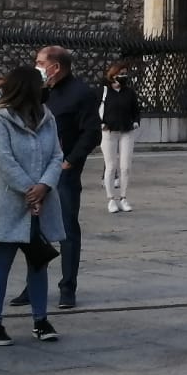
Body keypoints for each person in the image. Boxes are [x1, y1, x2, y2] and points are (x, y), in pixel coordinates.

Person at [0, 64, 65, 346]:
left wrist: (44, 186)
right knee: (1, 264)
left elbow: (56, 155)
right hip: (10, 202)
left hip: (41, 201)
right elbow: (2, 160)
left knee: (39, 263)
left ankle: (40, 320)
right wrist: (30, 190)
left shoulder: (47, 118)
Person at [30, 47, 99, 311]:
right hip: (37, 169)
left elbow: (91, 132)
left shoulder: (81, 93)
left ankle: (67, 287)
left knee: (67, 229)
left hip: (64, 172)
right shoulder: (41, 91)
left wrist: (70, 160)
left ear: (55, 66)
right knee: (35, 230)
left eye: (40, 62)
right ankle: (33, 283)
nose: (37, 66)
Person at [98, 62, 140, 211]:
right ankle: (111, 199)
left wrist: (135, 122)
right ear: (113, 75)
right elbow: (94, 109)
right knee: (110, 166)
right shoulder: (103, 91)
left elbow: (136, 110)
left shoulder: (129, 92)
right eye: (121, 73)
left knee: (125, 167)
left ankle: (123, 198)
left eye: (125, 73)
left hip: (126, 131)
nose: (124, 76)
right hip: (108, 132)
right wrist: (101, 123)